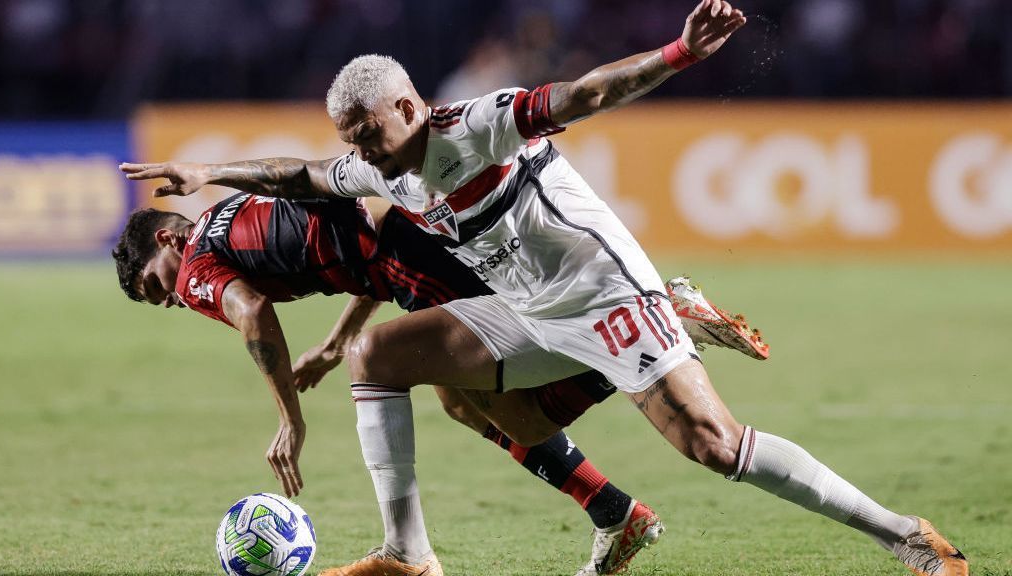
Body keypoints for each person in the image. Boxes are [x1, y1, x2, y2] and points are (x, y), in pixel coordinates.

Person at [121, 1, 968, 575]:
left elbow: (589, 91)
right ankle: (408, 555)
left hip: (602, 294)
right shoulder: (383, 167)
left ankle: (906, 539)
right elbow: (300, 173)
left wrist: (678, 53)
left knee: (714, 445)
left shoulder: (478, 124)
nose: (365, 154)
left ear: (411, 109)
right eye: (354, 140)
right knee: (380, 357)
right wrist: (210, 171)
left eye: (371, 134)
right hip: (526, 310)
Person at [110, 192, 768, 575]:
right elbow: (354, 239)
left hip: (410, 251)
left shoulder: (196, 262)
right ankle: (613, 510)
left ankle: (650, 323)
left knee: (511, 407)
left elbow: (254, 311)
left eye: (153, 285)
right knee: (464, 398)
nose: (168, 298)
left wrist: (290, 417)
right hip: (412, 243)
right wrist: (338, 344)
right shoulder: (237, 215)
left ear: (169, 239)